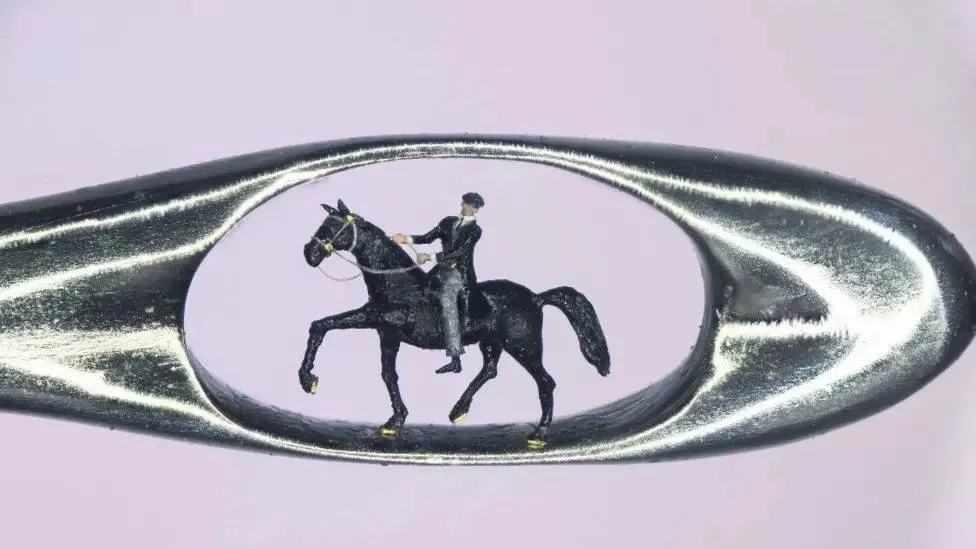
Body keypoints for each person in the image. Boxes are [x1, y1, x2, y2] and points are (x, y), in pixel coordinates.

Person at [391, 192, 485, 374]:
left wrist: (430, 257)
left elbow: (459, 252)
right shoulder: (448, 222)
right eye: (464, 203)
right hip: (441, 270)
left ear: (476, 209)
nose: (465, 206)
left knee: (447, 302)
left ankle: (455, 358)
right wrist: (406, 239)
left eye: (470, 205)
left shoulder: (475, 231)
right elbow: (428, 237)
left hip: (459, 274)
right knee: (418, 288)